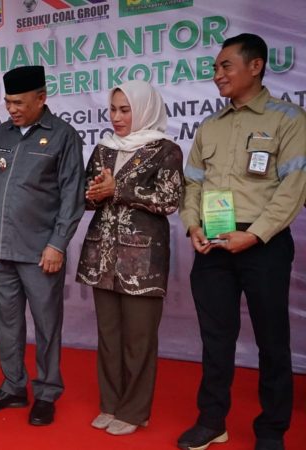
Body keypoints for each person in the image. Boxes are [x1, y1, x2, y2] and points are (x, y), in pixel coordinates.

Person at [177, 33, 306, 450]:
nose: (217, 75)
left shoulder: (288, 119)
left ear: (256, 66)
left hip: (263, 244)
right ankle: (212, 421)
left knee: (272, 340)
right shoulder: (210, 126)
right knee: (216, 340)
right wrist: (193, 225)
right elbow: (191, 184)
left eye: (225, 66)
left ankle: (271, 431)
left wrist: (253, 235)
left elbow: (294, 188)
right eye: (215, 68)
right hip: (213, 243)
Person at [0, 66, 84, 426]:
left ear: (42, 97)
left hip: (40, 253)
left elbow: (71, 196)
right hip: (2, 250)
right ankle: (13, 387)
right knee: (6, 323)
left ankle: (47, 392)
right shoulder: (1, 133)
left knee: (47, 325)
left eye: (19, 102)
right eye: (7, 102)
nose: (12, 109)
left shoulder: (63, 135)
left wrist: (57, 244)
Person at [75, 80, 184, 435]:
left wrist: (117, 189)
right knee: (108, 335)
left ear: (144, 109)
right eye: (113, 109)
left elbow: (169, 201)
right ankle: (111, 403)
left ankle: (135, 411)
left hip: (143, 261)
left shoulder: (165, 150)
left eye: (126, 109)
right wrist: (92, 193)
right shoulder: (104, 148)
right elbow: (88, 198)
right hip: (101, 255)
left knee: (139, 338)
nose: (117, 117)